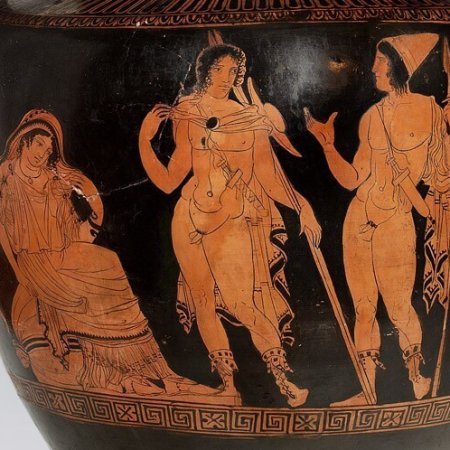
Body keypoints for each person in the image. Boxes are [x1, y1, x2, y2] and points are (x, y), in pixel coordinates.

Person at [139, 44, 322, 407]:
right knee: (203, 301)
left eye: (234, 71)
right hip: (190, 215)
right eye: (220, 69)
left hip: (232, 218)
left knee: (243, 302)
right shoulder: (187, 112)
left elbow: (269, 177)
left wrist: (303, 207)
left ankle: (282, 378)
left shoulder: (249, 117)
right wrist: (145, 140)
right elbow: (170, 180)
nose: (227, 77)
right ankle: (227, 386)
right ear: (205, 70)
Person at [0, 109, 212, 398]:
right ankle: (111, 373)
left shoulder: (53, 177)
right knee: (94, 280)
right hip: (33, 259)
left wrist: (87, 216)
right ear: (24, 140)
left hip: (61, 251)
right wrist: (19, 273)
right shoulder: (6, 174)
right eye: (38, 144)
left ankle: (141, 371)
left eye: (48, 149)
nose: (42, 153)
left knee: (109, 260)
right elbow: (3, 231)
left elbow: (82, 210)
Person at [305, 33, 449, 405]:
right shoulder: (373, 116)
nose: (373, 68)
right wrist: (327, 146)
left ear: (398, 66)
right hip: (360, 217)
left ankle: (416, 379)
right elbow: (354, 178)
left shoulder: (430, 111)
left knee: (399, 307)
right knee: (364, 308)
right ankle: (368, 392)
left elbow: (440, 174)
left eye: (380, 61)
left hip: (396, 220)